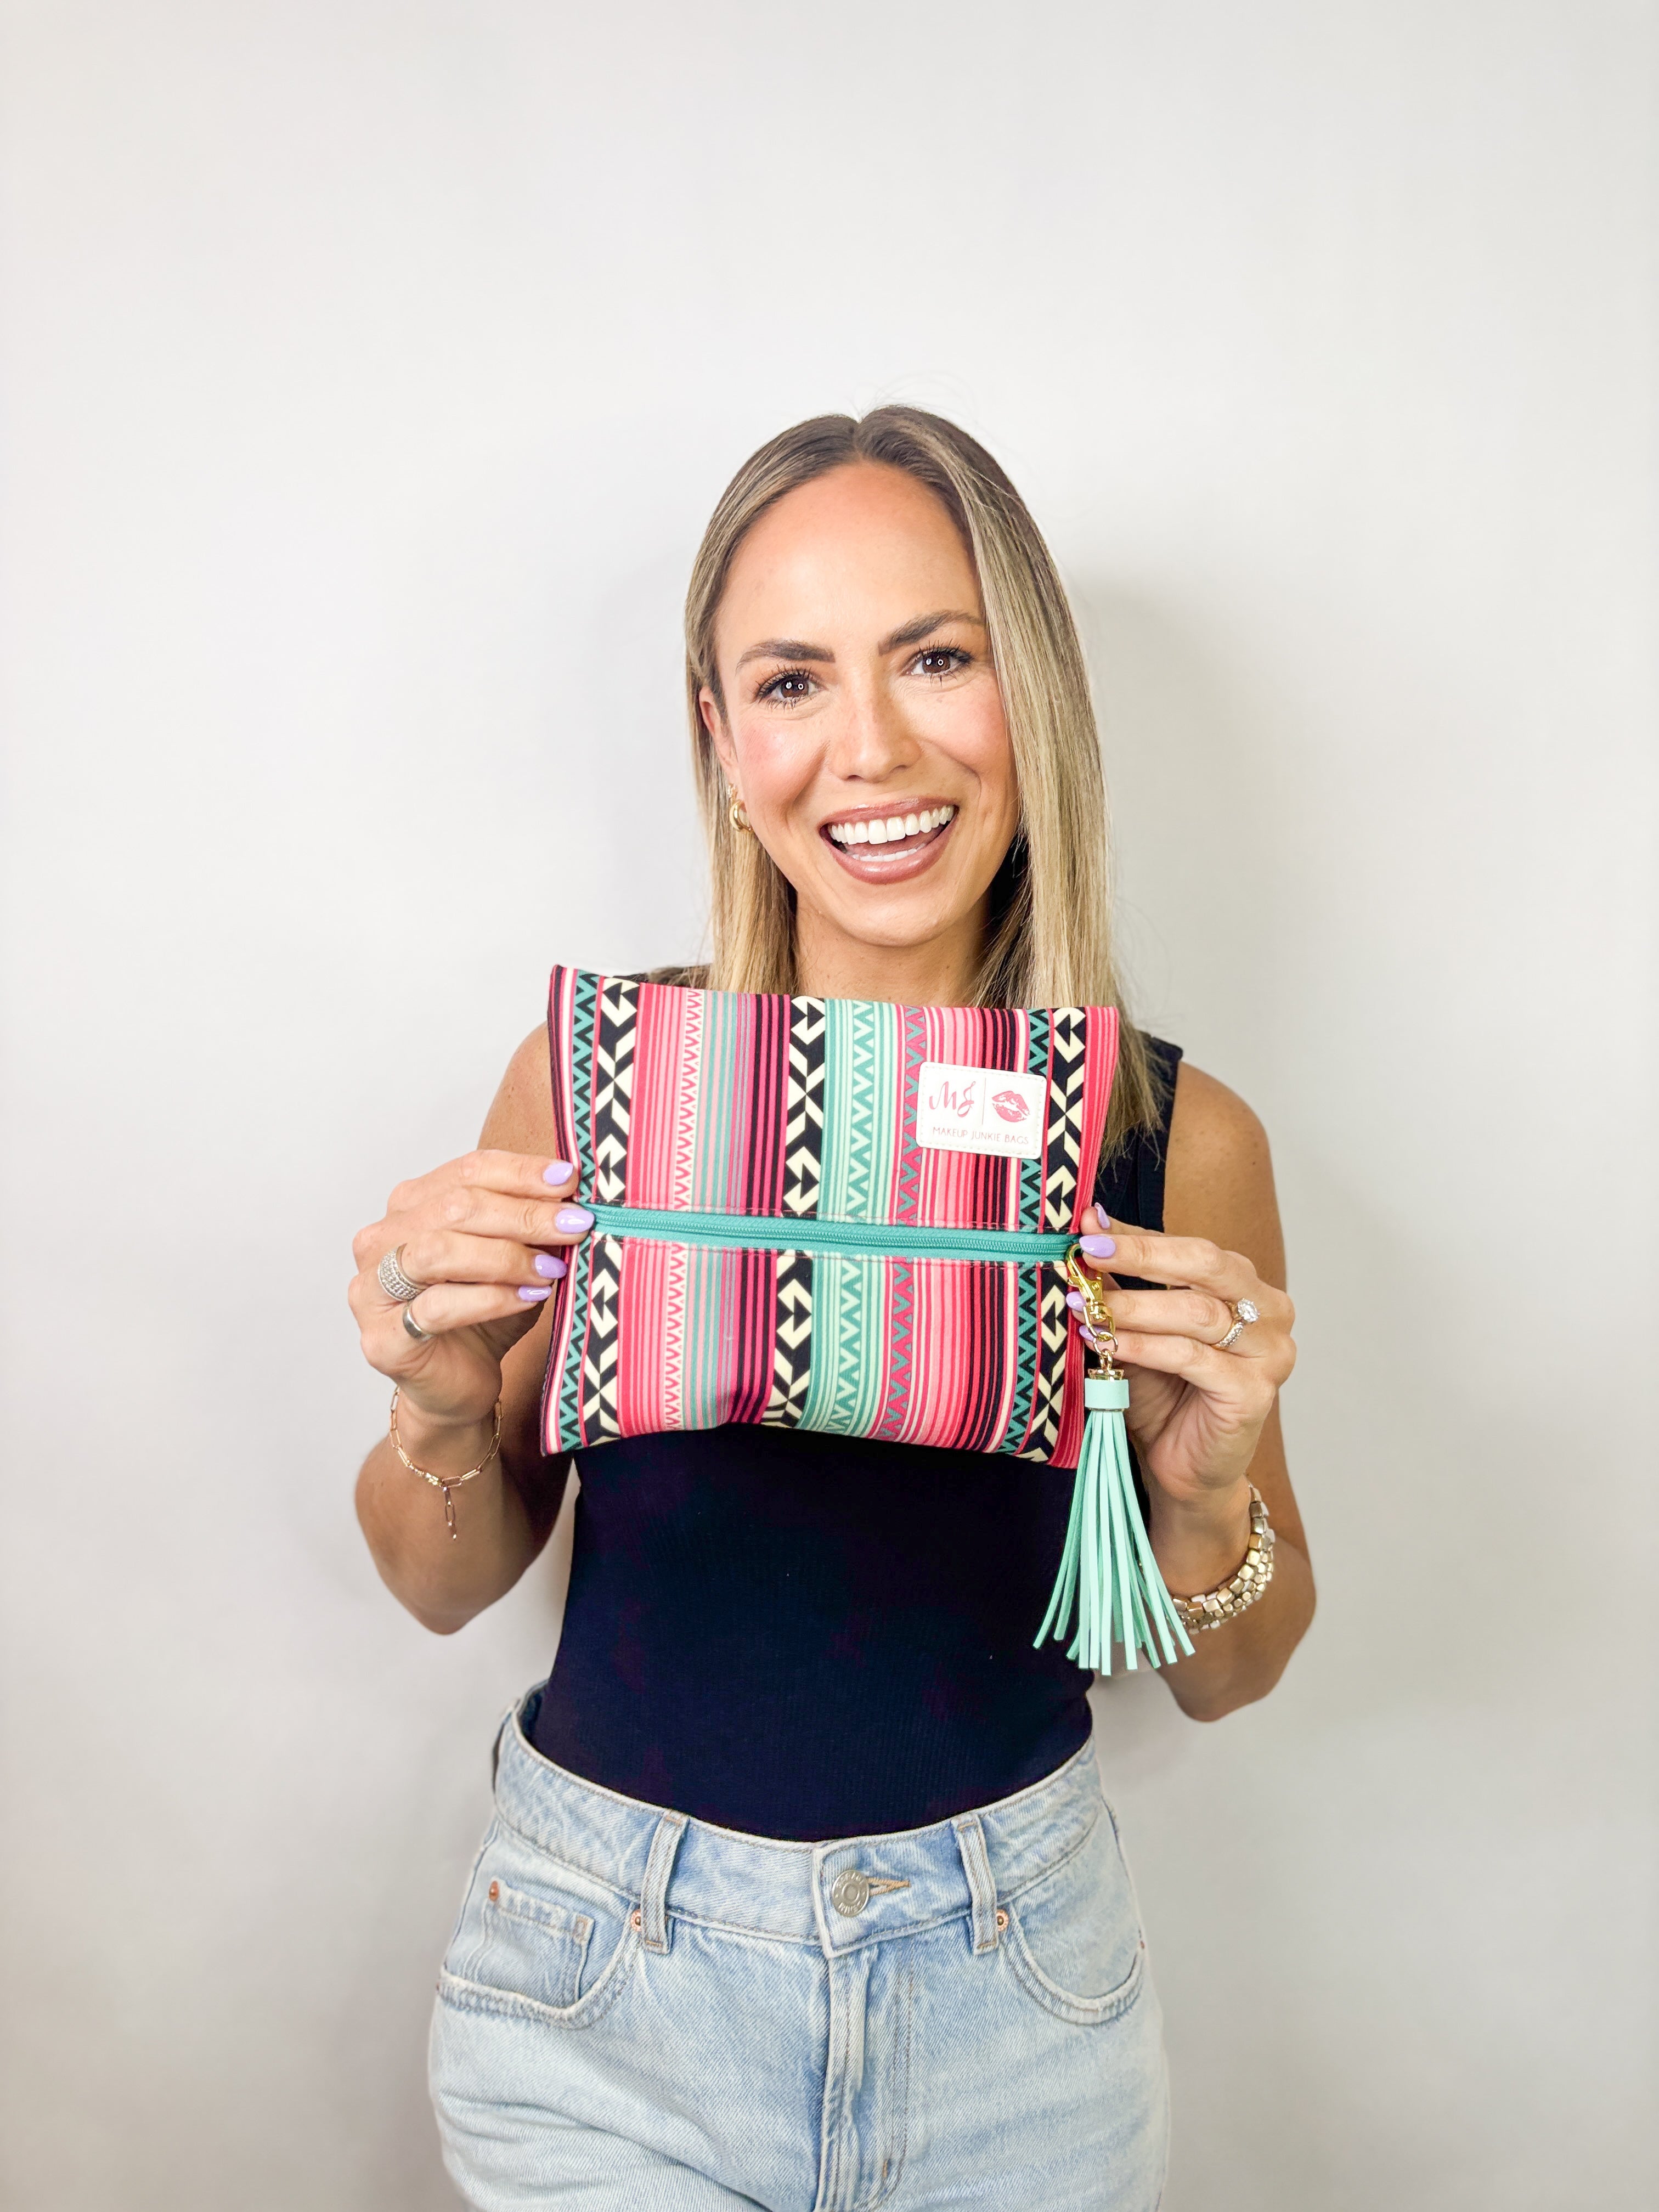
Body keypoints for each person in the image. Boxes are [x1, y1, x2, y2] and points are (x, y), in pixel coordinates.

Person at [349, 407, 1311, 2210]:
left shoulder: (1171, 1137)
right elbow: (438, 1577)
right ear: (719, 739)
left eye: (937, 657)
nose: (870, 748)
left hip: (1018, 2005)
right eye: (790, 681)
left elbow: (1239, 1675)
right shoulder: (598, 1083)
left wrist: (1203, 1487)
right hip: (602, 1985)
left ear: (1031, 689)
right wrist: (436, 1404)